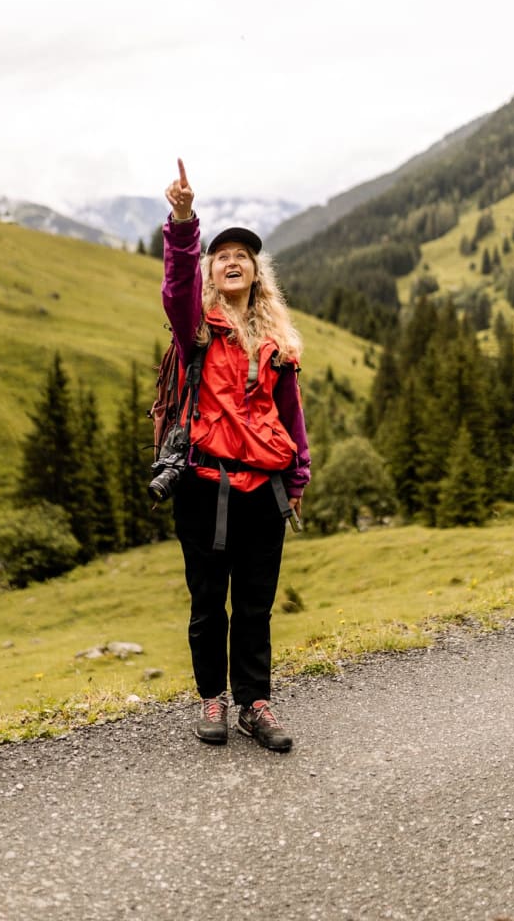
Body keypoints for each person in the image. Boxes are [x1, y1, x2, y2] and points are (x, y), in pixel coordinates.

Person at [162, 157, 310, 752]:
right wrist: (182, 220)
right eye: (221, 255)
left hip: (264, 494)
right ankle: (212, 698)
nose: (231, 261)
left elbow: (291, 419)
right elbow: (174, 285)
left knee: (254, 605)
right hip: (203, 485)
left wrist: (296, 481)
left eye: (242, 256)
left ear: (255, 274)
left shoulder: (278, 346)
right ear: (211, 272)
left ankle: (255, 702)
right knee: (207, 604)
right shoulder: (194, 329)